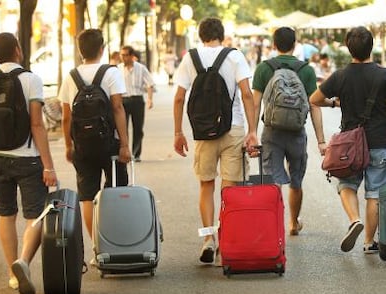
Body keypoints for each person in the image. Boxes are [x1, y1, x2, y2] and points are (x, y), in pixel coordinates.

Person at [0, 32, 57, 294]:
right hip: (28, 158)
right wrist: (49, 166)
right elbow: (36, 124)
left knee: (5, 214)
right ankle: (23, 262)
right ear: (18, 50)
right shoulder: (31, 79)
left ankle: (12, 274)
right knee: (36, 214)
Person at [173, 17, 257, 264]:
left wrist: (178, 133)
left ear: (200, 36)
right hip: (234, 128)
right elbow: (246, 94)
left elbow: (179, 98)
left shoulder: (190, 58)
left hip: (204, 131)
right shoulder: (234, 56)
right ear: (222, 35)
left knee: (206, 185)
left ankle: (208, 238)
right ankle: (227, 236)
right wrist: (253, 130)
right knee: (229, 189)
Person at [310, 26, 386, 254]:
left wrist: (334, 103)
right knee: (374, 193)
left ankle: (354, 220)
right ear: (371, 46)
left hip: (350, 145)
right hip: (379, 142)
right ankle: (369, 242)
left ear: (348, 47)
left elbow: (314, 99)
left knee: (346, 185)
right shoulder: (383, 75)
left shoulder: (340, 76)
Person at [58, 29, 131, 256]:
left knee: (87, 196)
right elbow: (118, 108)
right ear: (102, 48)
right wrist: (125, 144)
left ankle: (97, 247)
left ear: (81, 51)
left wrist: (69, 145)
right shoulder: (111, 72)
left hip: (83, 145)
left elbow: (66, 116)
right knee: (116, 190)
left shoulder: (71, 76)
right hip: (109, 144)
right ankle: (116, 243)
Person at [251, 27, 326, 236]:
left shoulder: (264, 69)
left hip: (271, 132)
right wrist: (321, 140)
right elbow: (314, 106)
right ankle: (293, 223)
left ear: (274, 45)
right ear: (295, 44)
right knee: (296, 180)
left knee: (272, 181)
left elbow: (255, 104)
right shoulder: (306, 70)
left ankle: (273, 224)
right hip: (297, 132)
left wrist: (252, 132)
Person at [119, 45, 155, 162]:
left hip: (137, 100)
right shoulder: (117, 69)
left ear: (131, 56)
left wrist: (150, 99)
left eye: (125, 55)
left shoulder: (141, 68)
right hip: (123, 100)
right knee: (122, 128)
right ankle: (125, 152)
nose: (123, 58)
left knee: (138, 128)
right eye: (121, 55)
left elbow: (149, 84)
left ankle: (136, 153)